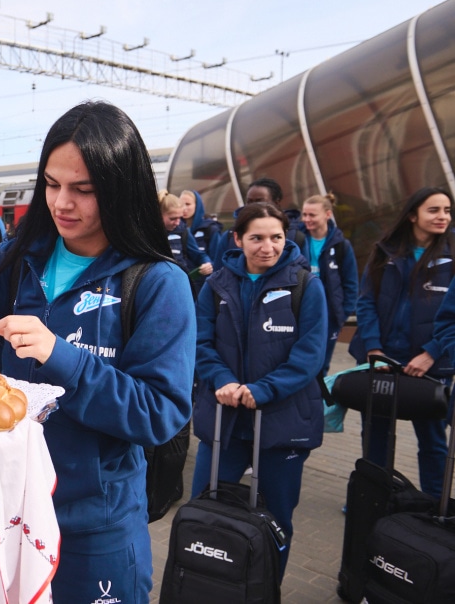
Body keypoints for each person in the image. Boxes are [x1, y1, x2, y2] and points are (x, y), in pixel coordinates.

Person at [0, 101, 196, 603]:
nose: (62, 202)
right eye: (52, 184)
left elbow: (160, 413)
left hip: (95, 529)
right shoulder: (20, 257)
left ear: (121, 190)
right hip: (12, 515)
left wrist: (60, 355)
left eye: (83, 190)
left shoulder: (156, 283)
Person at [192, 202, 328, 579]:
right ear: (237, 239)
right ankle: (206, 587)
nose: (268, 247)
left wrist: (264, 389)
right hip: (224, 420)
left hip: (282, 423)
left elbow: (310, 354)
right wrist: (222, 380)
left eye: (276, 237)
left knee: (276, 521)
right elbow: (200, 343)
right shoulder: (216, 285)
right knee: (204, 511)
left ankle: (266, 590)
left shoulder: (305, 285)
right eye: (256, 238)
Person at [349, 187, 455, 498]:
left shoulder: (452, 255)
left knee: (433, 441)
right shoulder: (386, 251)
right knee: (375, 436)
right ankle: (371, 500)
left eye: (447, 211)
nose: (443, 217)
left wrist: (431, 354)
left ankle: (435, 508)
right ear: (412, 215)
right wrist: (373, 348)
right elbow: (366, 302)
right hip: (382, 360)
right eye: (434, 210)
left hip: (431, 364)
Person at [299, 193, 358, 375]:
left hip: (329, 315)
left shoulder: (341, 245)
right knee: (301, 360)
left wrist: (342, 313)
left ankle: (319, 400)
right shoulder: (298, 239)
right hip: (302, 310)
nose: (307, 219)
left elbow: (351, 282)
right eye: (304, 214)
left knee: (322, 363)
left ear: (327, 214)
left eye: (312, 215)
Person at [210, 177, 307, 268]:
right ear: (238, 240)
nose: (253, 206)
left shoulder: (296, 237)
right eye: (249, 201)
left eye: (259, 201)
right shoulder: (230, 236)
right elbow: (218, 274)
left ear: (276, 203)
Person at [158, 190, 212, 289]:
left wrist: (207, 263)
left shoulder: (182, 231)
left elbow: (199, 255)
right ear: (159, 215)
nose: (177, 223)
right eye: (173, 218)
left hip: (180, 285)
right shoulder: (147, 235)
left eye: (180, 218)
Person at [179, 189, 223, 258]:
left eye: (188, 204)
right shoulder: (175, 228)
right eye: (181, 204)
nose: (184, 208)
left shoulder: (211, 229)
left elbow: (217, 258)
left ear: (197, 205)